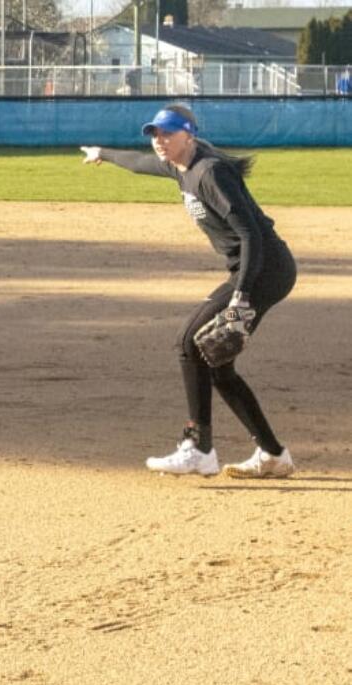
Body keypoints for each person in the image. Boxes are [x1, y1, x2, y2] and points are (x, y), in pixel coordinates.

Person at [80, 104, 297, 478]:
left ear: (189, 135)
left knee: (188, 342)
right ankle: (273, 454)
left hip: (266, 269)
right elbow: (137, 162)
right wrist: (103, 153)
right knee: (217, 362)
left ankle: (198, 448)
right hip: (255, 270)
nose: (159, 141)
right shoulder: (179, 166)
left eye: (168, 133)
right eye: (155, 134)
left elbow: (251, 236)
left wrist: (241, 296)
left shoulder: (209, 173)